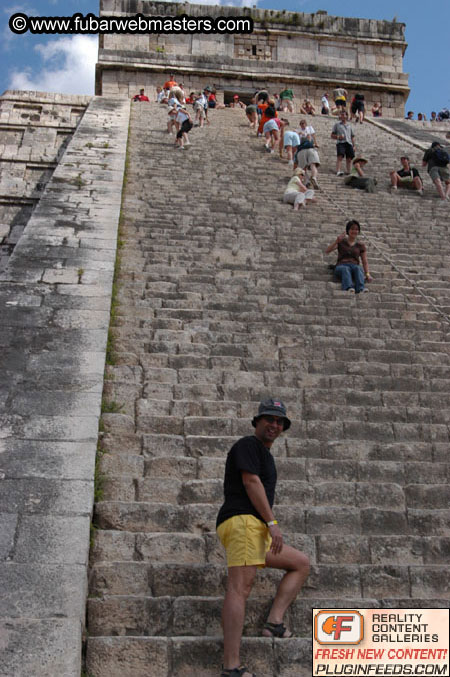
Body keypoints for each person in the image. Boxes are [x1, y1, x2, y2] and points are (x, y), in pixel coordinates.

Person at [217, 399, 310, 677]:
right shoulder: (248, 445)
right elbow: (250, 481)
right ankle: (231, 666)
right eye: (269, 419)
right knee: (239, 589)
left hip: (253, 528)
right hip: (244, 522)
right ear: (257, 421)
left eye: (280, 421)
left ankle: (274, 622)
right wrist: (272, 523)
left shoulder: (266, 455)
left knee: (300, 563)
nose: (274, 425)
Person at [325, 219, 372, 293]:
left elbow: (364, 262)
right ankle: (348, 287)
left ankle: (361, 288)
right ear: (348, 230)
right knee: (345, 268)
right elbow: (327, 251)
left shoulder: (360, 245)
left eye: (356, 229)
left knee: (358, 268)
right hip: (341, 265)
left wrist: (367, 274)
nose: (354, 231)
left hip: (354, 266)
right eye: (352, 229)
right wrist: (336, 242)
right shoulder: (341, 242)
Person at [295, 119, 320, 189]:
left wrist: (316, 143)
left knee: (308, 166)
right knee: (309, 166)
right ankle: (310, 179)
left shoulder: (308, 128)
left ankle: (310, 180)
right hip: (307, 149)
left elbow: (313, 136)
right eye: (301, 124)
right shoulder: (298, 130)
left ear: (306, 124)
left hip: (304, 149)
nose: (302, 125)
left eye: (303, 123)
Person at [331, 111, 355, 176]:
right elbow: (332, 135)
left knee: (349, 158)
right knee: (340, 156)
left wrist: (354, 145)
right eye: (341, 115)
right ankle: (338, 170)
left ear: (346, 116)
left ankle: (348, 171)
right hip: (341, 143)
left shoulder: (349, 126)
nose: (342, 116)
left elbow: (352, 136)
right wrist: (338, 137)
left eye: (343, 115)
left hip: (349, 143)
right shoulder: (337, 125)